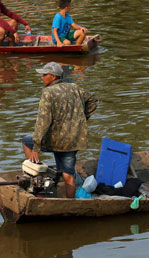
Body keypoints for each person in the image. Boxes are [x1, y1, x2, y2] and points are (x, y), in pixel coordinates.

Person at [21, 62, 97, 198]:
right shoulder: (75, 87)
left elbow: (42, 122)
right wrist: (82, 118)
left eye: (44, 75)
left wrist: (36, 147)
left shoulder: (48, 92)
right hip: (74, 140)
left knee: (27, 142)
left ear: (54, 76)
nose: (42, 78)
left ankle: (38, 176)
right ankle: (70, 205)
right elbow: (93, 101)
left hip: (56, 140)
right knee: (68, 176)